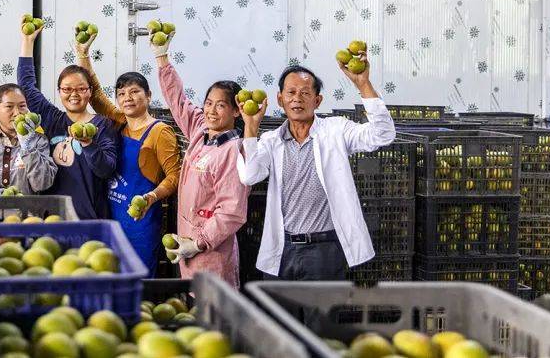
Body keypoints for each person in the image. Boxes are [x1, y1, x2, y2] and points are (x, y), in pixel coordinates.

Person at [237, 53, 396, 281]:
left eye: (305, 93)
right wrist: (251, 127)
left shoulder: (335, 130)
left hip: (325, 250)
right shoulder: (271, 141)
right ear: (280, 100)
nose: (297, 99)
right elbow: (250, 176)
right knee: (280, 317)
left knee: (322, 317)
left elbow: (382, 135)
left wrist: (363, 84)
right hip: (283, 249)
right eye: (291, 93)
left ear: (317, 100)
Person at [75, 33, 182, 271]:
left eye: (134, 92)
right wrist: (83, 54)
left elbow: (175, 177)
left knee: (138, 284)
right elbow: (97, 95)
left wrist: (150, 197)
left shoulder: (160, 132)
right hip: (111, 218)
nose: (127, 98)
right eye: (121, 94)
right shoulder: (119, 121)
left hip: (140, 224)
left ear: (148, 96)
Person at [151, 36, 250, 288]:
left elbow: (232, 211)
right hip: (186, 246)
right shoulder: (200, 131)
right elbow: (178, 101)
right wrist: (162, 59)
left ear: (236, 111)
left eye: (220, 106)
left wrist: (199, 243)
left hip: (212, 251)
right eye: (208, 104)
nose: (211, 111)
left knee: (214, 311)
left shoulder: (233, 151)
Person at [18, 19, 118, 220]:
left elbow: (106, 169)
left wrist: (88, 144)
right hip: (52, 216)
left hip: (90, 218)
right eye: (67, 89)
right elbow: (26, 86)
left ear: (90, 92)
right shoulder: (53, 119)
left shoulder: (102, 125)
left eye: (81, 89)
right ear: (59, 92)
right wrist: (27, 41)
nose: (74, 94)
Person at [0, 84, 57, 196]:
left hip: (29, 212)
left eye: (22, 106)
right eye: (9, 106)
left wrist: (28, 148)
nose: (17, 113)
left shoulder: (39, 141)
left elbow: (43, 184)